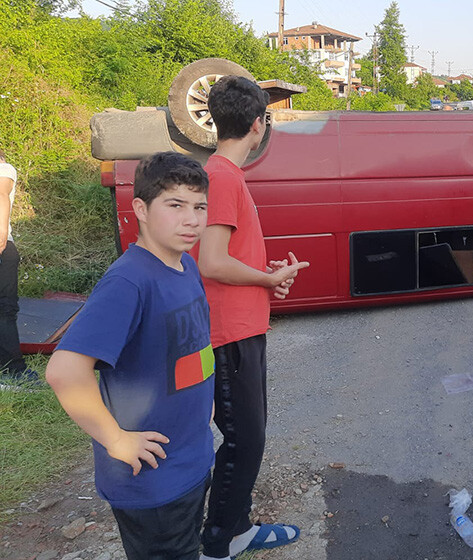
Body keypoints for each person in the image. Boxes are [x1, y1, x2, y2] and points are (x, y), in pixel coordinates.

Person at [46, 152, 213, 559]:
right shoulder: (128, 281)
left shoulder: (185, 266)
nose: (191, 219)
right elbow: (65, 371)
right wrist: (115, 439)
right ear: (140, 208)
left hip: (191, 460)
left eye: (200, 206)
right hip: (151, 482)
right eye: (175, 205)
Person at [193, 75, 307, 560]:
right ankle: (221, 539)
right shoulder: (221, 177)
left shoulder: (225, 175)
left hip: (243, 326)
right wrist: (264, 280)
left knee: (248, 436)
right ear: (259, 124)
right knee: (246, 439)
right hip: (228, 332)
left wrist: (266, 273)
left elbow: (225, 256)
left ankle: (234, 526)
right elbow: (211, 261)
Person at [0, 150, 41, 389]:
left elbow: (2, 197)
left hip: (3, 248)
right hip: (4, 247)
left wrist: (1, 239)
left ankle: (11, 368)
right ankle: (11, 368)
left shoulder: (4, 169)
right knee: (4, 310)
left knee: (4, 310)